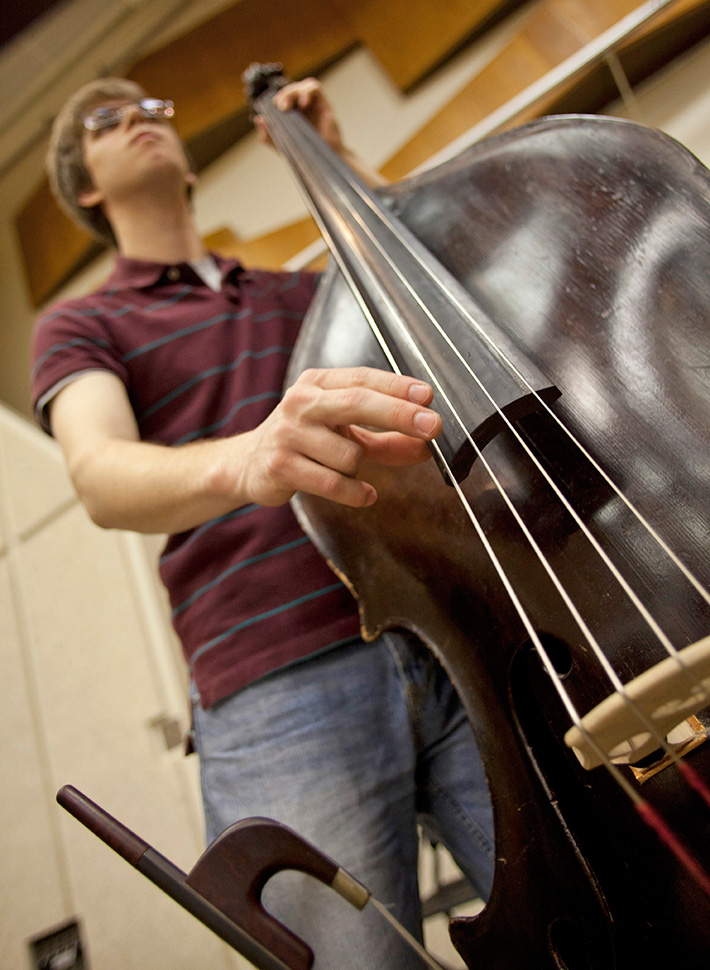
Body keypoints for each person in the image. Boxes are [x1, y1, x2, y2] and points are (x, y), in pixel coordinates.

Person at [31, 75, 495, 969]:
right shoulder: (83, 321)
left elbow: (432, 266)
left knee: (602, 917)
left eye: (153, 107)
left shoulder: (296, 292)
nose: (141, 119)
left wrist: (332, 156)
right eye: (106, 120)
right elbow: (99, 474)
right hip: (276, 679)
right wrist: (247, 459)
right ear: (84, 188)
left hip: (443, 634)